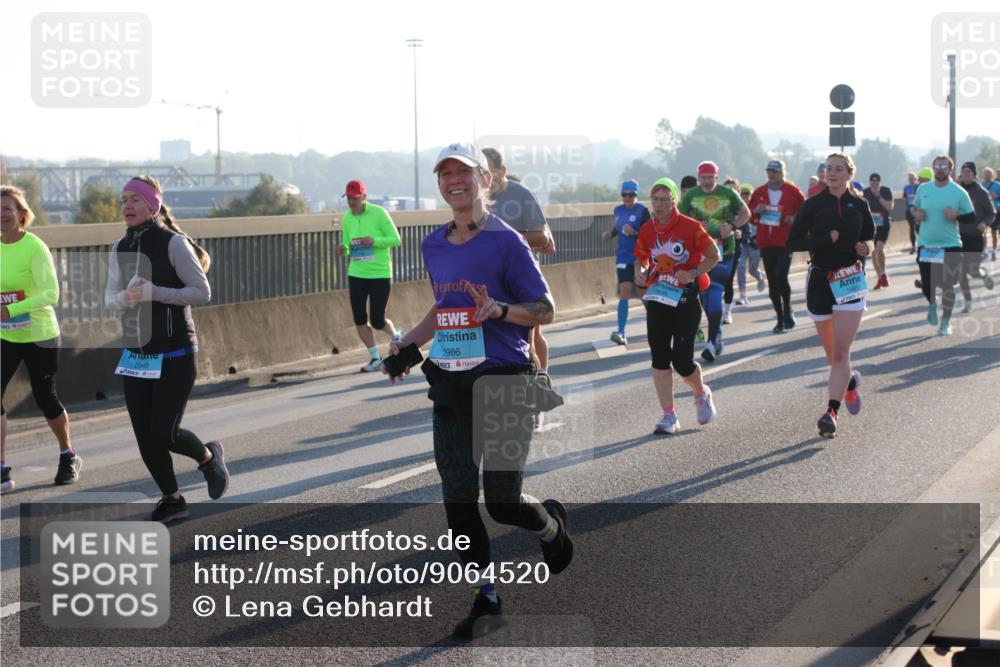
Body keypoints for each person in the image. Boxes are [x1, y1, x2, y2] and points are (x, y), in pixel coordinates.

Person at [384, 143, 572, 638]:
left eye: (463, 173)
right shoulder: (433, 244)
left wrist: (502, 312)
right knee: (458, 496)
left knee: (503, 503)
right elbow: (442, 308)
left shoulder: (508, 243)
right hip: (451, 379)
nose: (453, 182)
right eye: (445, 175)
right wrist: (406, 346)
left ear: (484, 180)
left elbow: (546, 309)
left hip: (506, 378)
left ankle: (549, 525)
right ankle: (486, 600)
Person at [106, 176, 230, 522]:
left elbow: (201, 292)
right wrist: (124, 298)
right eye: (123, 200)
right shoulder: (119, 248)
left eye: (134, 199)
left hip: (175, 354)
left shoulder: (173, 244)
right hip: (136, 355)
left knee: (164, 431)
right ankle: (172, 497)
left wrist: (155, 292)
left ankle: (208, 458)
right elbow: (108, 298)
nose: (127, 206)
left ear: (152, 205)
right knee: (144, 434)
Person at [787, 153, 874, 438]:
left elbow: (871, 237)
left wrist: (866, 248)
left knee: (840, 352)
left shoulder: (859, 204)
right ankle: (849, 384)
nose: (832, 173)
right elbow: (793, 242)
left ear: (849, 173)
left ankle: (831, 413)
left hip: (850, 279)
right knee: (831, 355)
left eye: (838, 169)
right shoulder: (813, 205)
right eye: (828, 169)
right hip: (820, 281)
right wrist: (822, 241)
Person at [1, 185, 79, 493]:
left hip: (40, 334)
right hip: (6, 334)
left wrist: (12, 308)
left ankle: (67, 455)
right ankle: (3, 470)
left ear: (21, 215)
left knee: (45, 398)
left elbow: (51, 294)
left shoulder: (34, 247)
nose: (2, 215)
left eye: (7, 209)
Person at [634, 177, 719, 434]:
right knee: (659, 357)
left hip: (685, 300)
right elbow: (641, 259)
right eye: (655, 199)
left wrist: (692, 273)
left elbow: (714, 255)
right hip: (658, 299)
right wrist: (641, 271)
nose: (658, 205)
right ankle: (669, 415)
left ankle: (700, 392)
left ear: (674, 201)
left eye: (664, 199)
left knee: (682, 361)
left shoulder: (690, 227)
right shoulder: (648, 230)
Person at [482, 147, 556, 429]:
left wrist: (508, 239)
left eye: (489, 171)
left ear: (501, 171)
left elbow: (543, 237)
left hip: (521, 280)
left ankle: (536, 396)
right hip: (487, 283)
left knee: (526, 341)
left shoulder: (520, 194)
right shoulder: (477, 199)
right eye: (480, 172)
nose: (485, 178)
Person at [678, 161, 751, 361]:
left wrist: (732, 225)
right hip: (700, 253)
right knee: (705, 298)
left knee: (716, 292)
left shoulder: (728, 194)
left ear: (717, 178)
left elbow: (746, 213)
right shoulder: (691, 196)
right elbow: (678, 218)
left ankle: (711, 343)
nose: (707, 181)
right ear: (699, 177)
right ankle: (717, 338)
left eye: (711, 177)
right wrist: (694, 224)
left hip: (724, 251)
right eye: (704, 177)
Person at [336, 179, 403, 373]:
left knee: (377, 320)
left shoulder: (379, 213)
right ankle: (375, 357)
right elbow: (348, 245)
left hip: (380, 273)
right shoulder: (347, 218)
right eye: (348, 198)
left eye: (354, 198)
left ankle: (395, 333)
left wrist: (374, 241)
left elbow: (396, 240)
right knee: (359, 318)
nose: (351, 202)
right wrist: (344, 249)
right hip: (356, 273)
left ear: (364, 197)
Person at [911, 156, 976, 335]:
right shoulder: (923, 189)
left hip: (950, 245)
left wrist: (957, 215)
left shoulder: (959, 192)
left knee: (947, 286)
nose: (940, 169)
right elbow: (913, 208)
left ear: (950, 169)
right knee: (926, 284)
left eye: (944, 166)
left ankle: (946, 323)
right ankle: (932, 303)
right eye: (937, 166)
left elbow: (971, 217)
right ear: (933, 168)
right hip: (926, 244)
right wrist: (916, 213)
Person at [749, 160, 806, 333]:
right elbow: (748, 216)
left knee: (781, 276)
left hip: (785, 241)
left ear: (782, 173)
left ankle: (788, 309)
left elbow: (805, 213)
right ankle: (780, 318)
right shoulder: (759, 192)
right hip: (766, 242)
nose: (772, 175)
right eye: (769, 172)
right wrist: (755, 211)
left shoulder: (793, 192)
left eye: (775, 172)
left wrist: (795, 220)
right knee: (773, 281)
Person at [602, 179, 651, 345]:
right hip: (623, 256)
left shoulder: (643, 211)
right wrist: (610, 234)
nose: (627, 198)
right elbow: (618, 227)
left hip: (640, 257)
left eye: (630, 195)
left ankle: (657, 324)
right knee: (625, 291)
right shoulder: (618, 210)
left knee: (644, 293)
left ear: (636, 195)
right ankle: (621, 331)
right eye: (624, 195)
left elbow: (649, 234)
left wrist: (635, 232)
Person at [957, 162, 996, 311]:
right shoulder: (956, 191)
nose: (966, 174)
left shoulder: (981, 192)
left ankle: (983, 274)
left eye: (968, 172)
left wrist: (984, 224)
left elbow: (991, 213)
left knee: (972, 271)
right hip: (958, 237)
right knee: (960, 272)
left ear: (974, 174)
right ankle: (968, 302)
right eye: (963, 171)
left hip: (975, 236)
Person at [734, 182, 765, 306]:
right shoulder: (736, 209)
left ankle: (760, 276)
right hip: (742, 243)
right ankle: (743, 295)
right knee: (740, 268)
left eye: (747, 194)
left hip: (754, 244)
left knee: (752, 270)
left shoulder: (757, 208)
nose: (744, 196)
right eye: (742, 194)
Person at [863, 173, 895, 289]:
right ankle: (880, 276)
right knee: (873, 253)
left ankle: (883, 273)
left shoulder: (886, 191)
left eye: (877, 183)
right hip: (872, 226)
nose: (875, 185)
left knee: (879, 249)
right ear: (869, 183)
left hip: (884, 224)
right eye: (872, 183)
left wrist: (878, 196)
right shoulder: (865, 192)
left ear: (880, 183)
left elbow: (889, 207)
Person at [720, 178, 743, 324]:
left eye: (733, 189)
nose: (730, 192)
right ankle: (717, 308)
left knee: (728, 281)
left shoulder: (741, 210)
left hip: (734, 248)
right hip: (715, 247)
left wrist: (739, 233)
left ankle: (727, 312)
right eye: (727, 189)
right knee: (714, 282)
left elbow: (749, 228)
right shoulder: (716, 207)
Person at [983, 166, 1000, 261]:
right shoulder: (981, 185)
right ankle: (985, 250)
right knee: (983, 232)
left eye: (988, 174)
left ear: (992, 175)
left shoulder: (997, 185)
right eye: (985, 174)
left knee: (994, 233)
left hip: (995, 212)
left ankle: (993, 251)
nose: (987, 176)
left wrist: (996, 196)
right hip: (984, 212)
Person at [903, 172, 920, 254]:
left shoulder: (919, 187)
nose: (910, 180)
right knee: (912, 228)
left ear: (915, 178)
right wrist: (907, 209)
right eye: (909, 178)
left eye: (912, 178)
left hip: (918, 210)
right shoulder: (906, 188)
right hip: (910, 210)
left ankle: (922, 244)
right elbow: (905, 199)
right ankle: (913, 246)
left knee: (919, 228)